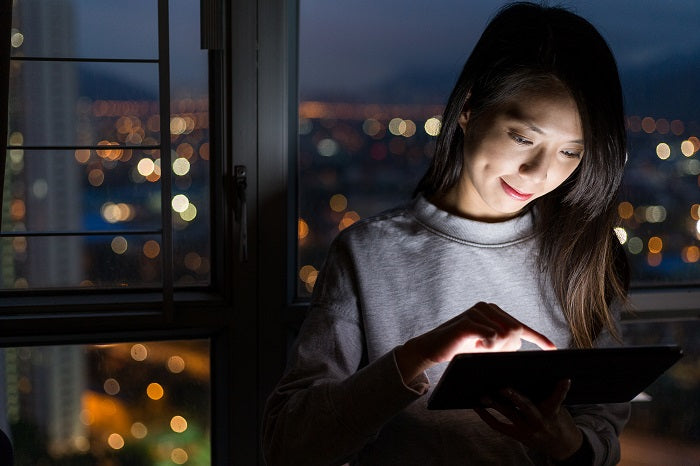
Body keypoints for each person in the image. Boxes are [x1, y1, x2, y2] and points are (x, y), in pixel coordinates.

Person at [263, 2, 631, 465]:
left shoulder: (585, 258)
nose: (539, 172)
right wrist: (417, 356)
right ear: (470, 108)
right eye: (523, 138)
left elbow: (603, 435)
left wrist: (563, 443)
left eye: (571, 152)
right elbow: (287, 445)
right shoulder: (369, 256)